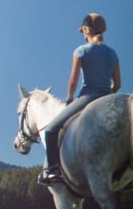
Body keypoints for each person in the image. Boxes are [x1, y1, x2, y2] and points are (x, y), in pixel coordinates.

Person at [39, 13, 122, 186]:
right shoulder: (112, 53)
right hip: (107, 97)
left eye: (83, 30)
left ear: (86, 30)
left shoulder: (81, 51)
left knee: (51, 129)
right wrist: (108, 93)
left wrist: (70, 98)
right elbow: (118, 84)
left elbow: (73, 81)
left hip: (87, 97)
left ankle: (52, 170)